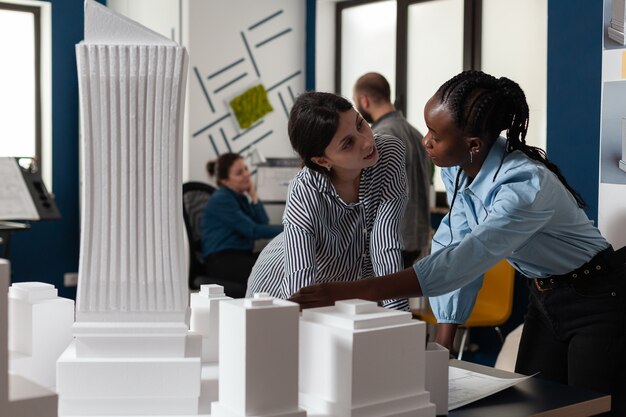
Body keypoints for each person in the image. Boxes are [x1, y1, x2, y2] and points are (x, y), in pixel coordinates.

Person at [290, 70, 626, 416]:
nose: (425, 141)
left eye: (435, 134)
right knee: (536, 406)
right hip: (545, 296)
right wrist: (444, 341)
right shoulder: (457, 166)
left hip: (597, 298)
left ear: (473, 144)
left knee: (590, 408)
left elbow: (466, 258)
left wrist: (347, 291)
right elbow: (454, 237)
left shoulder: (524, 189)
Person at [246, 91, 409, 310]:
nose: (367, 142)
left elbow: (385, 243)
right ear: (322, 160)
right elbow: (299, 284)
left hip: (345, 292)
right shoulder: (304, 191)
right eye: (348, 143)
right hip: (277, 285)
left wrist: (398, 320)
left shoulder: (388, 154)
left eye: (360, 124)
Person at [354, 72, 432, 266]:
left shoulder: (379, 137)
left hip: (390, 239)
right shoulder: (416, 133)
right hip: (416, 238)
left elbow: (369, 193)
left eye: (356, 101)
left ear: (364, 100)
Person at [200, 153, 283, 294]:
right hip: (222, 260)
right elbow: (253, 231)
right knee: (270, 272)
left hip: (240, 255)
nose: (246, 174)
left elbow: (263, 222)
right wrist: (291, 229)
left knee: (277, 262)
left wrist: (254, 196)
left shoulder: (240, 197)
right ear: (225, 181)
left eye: (246, 168)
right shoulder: (222, 199)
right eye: (239, 173)